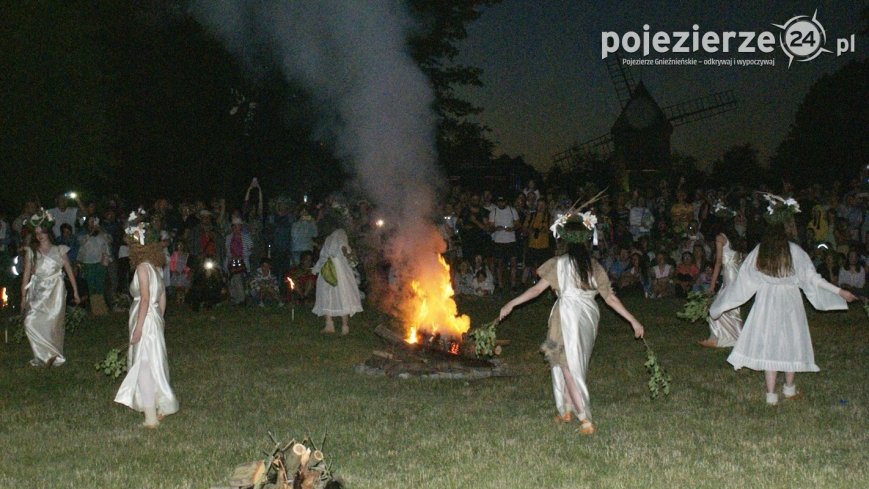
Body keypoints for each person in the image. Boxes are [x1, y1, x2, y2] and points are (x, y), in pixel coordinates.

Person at [499, 214, 644, 435]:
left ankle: (585, 419)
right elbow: (610, 298)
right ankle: (566, 410)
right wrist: (633, 321)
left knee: (567, 367)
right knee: (565, 363)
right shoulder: (593, 266)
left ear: (564, 240)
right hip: (587, 318)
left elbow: (536, 290)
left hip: (566, 318)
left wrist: (511, 304)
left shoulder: (560, 264)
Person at [709, 195, 857, 406]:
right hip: (789, 302)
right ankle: (789, 388)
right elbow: (813, 279)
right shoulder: (794, 251)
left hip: (766, 303)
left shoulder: (761, 251)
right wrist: (839, 291)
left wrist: (721, 304)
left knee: (770, 345)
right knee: (791, 342)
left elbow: (743, 281)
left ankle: (771, 395)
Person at [114, 216, 179, 428]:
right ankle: (159, 406)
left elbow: (144, 298)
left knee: (144, 364)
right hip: (153, 317)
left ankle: (151, 416)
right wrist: (159, 317)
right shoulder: (155, 267)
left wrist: (139, 328)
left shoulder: (143, 268)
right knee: (153, 362)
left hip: (144, 318)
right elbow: (162, 297)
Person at [20, 210, 81, 367]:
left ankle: (53, 355)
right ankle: (40, 355)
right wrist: (23, 297)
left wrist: (75, 291)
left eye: (42, 232)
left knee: (52, 324)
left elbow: (69, 270)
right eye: (37, 233)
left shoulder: (59, 249)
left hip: (55, 291)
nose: (39, 235)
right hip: (37, 291)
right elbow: (26, 274)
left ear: (48, 232)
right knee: (30, 321)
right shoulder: (31, 252)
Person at [699, 210, 747, 348]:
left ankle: (727, 337)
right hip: (736, 273)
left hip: (730, 274)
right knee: (728, 305)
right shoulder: (735, 237)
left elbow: (719, 261)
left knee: (720, 305)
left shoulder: (720, 238)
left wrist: (712, 284)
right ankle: (722, 336)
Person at [312, 229, 363, 335]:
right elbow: (352, 262)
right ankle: (344, 326)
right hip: (342, 277)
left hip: (328, 275)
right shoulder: (343, 245)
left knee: (327, 297)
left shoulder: (330, 241)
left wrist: (316, 269)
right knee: (343, 298)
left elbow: (323, 257)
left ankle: (329, 324)